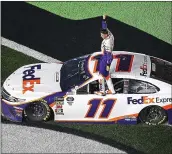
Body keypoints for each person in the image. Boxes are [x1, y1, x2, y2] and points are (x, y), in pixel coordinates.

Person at [95, 15, 116, 96]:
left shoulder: (107, 43)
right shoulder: (110, 34)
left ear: (105, 35)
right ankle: (112, 90)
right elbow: (105, 27)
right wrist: (104, 19)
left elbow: (109, 54)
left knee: (101, 74)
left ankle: (102, 91)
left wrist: (107, 64)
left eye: (101, 35)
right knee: (106, 76)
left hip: (106, 58)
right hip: (105, 57)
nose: (101, 35)